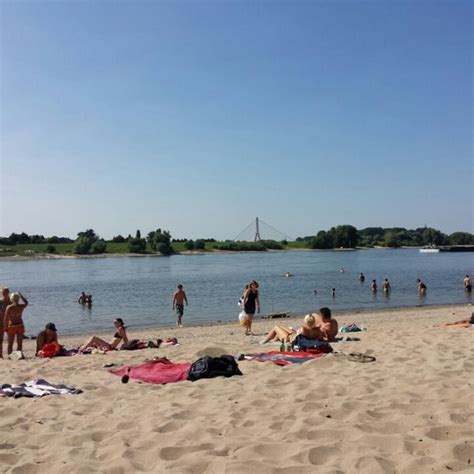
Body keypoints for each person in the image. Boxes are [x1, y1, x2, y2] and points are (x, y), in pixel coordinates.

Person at [4, 292, 29, 356]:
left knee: (10, 343)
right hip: (20, 325)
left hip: (12, 326)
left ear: (11, 299)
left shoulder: (9, 307)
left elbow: (6, 318)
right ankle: (18, 355)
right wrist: (21, 295)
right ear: (18, 299)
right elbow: (26, 303)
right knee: (19, 343)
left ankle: (10, 356)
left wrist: (5, 327)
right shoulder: (21, 306)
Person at [0, 287, 10, 358]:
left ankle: (10, 355)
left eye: (6, 292)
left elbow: (21, 305)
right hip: (1, 322)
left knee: (10, 339)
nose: (5, 293)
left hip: (10, 322)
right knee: (0, 339)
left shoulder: (11, 300)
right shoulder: (0, 301)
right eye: (3, 292)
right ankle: (0, 354)